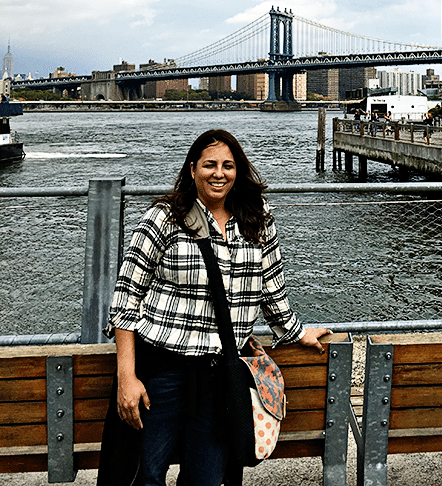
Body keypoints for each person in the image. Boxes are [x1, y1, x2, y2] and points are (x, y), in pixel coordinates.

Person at [105, 129, 329, 486]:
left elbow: (271, 286)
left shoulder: (257, 218)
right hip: (162, 370)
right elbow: (126, 298)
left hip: (219, 374)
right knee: (145, 475)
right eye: (209, 165)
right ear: (192, 169)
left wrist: (297, 332)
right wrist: (127, 378)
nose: (218, 173)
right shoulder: (164, 218)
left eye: (228, 165)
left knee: (207, 479)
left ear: (239, 171)